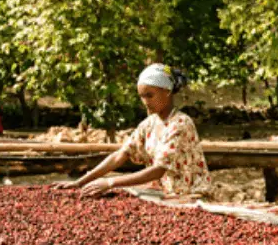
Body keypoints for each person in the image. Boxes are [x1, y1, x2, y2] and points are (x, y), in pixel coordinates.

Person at [57, 63, 212, 198]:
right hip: (163, 193)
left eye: (150, 95)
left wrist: (111, 182)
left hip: (189, 194)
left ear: (167, 92)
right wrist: (79, 182)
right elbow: (120, 155)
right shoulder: (149, 124)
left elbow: (159, 170)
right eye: (142, 96)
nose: (145, 102)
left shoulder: (180, 124)